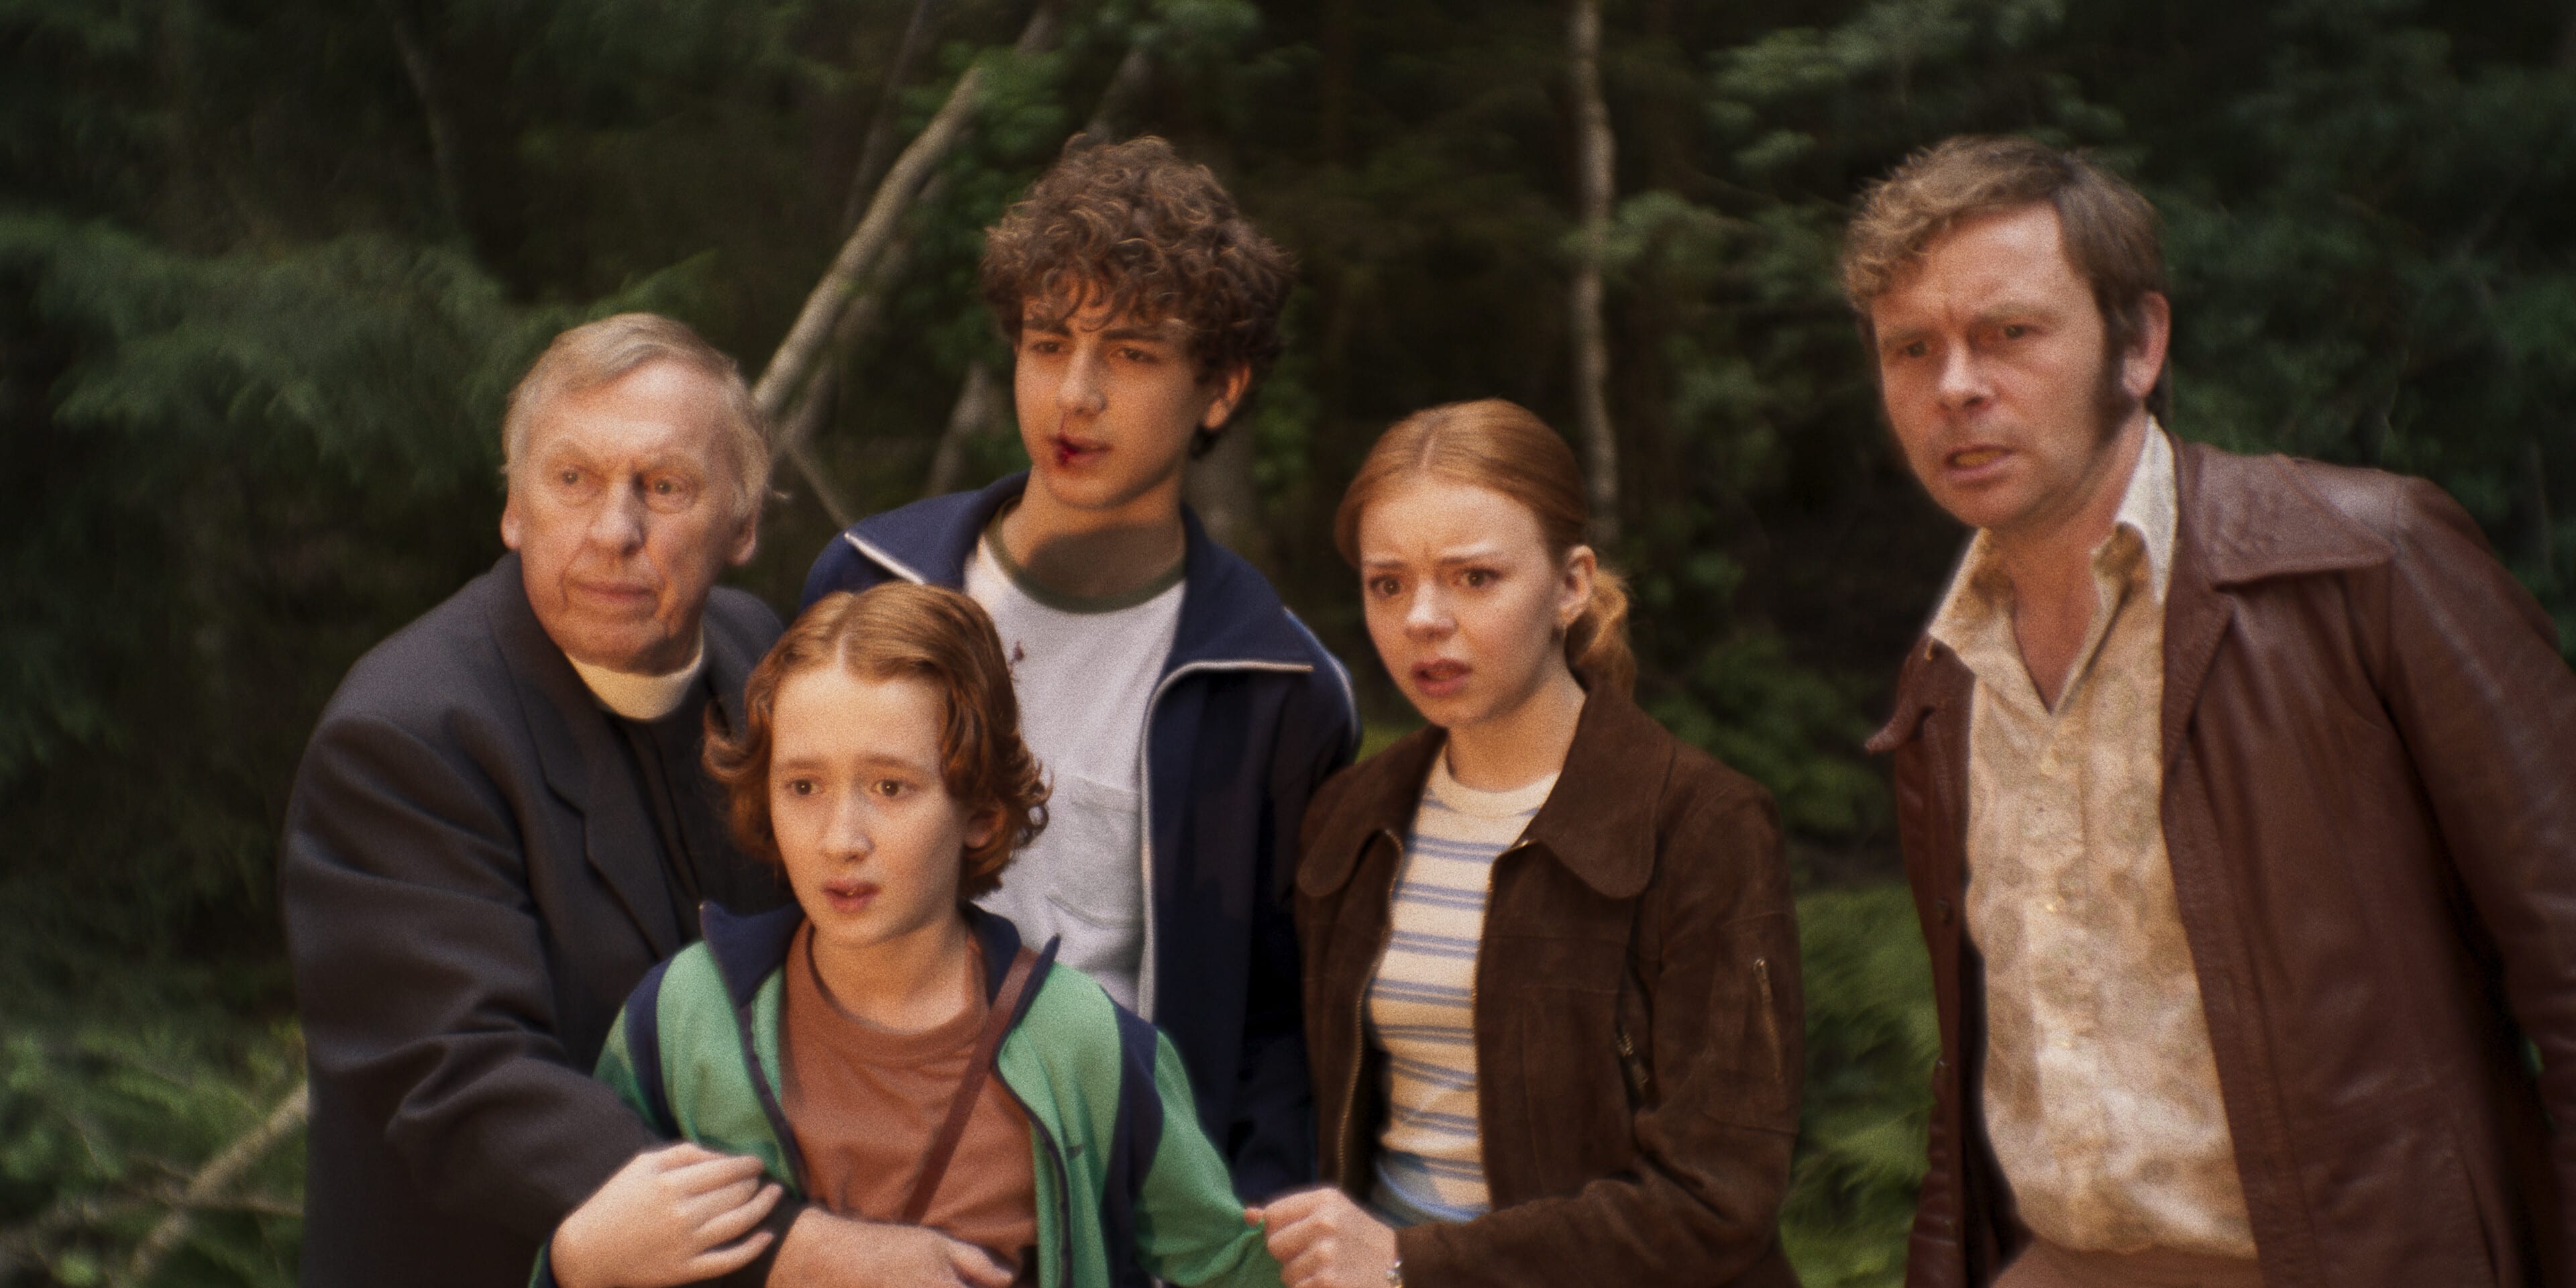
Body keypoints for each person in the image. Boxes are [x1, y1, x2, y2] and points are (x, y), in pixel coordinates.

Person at [1848, 135, 2576, 1288]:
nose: (1956, 388)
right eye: (1911, 348)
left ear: (2139, 344)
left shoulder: (2364, 564)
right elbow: (1979, 1068)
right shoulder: (1944, 681)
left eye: (2011, 333)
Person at [800, 135, 1358, 1201]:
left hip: (1111, 1214)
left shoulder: (1280, 689)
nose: (1077, 393)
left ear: (1222, 389)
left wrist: (1237, 1242)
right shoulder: (867, 582)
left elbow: (1275, 1036)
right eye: (1049, 343)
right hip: (856, 1188)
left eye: (1134, 354)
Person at [541, 582, 1290, 1288]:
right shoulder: (682, 1018)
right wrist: (573, 1261)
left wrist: (1357, 1259)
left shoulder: (1083, 1044)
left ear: (981, 813)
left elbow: (1230, 1268)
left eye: (890, 787)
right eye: (803, 786)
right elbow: (593, 1250)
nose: (841, 839)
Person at [279, 313, 797, 1285]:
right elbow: (473, 1084)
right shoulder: (402, 735)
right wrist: (809, 1251)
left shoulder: (759, 654)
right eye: (572, 480)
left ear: (743, 524)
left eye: (666, 487)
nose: (614, 532)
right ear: (514, 510)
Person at [1252, 399, 1803, 1287]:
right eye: (1388, 584)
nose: (1422, 618)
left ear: (1571, 583)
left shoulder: (1703, 826)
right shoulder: (1351, 816)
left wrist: (1408, 1262)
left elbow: (1717, 1201)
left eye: (1473, 578)